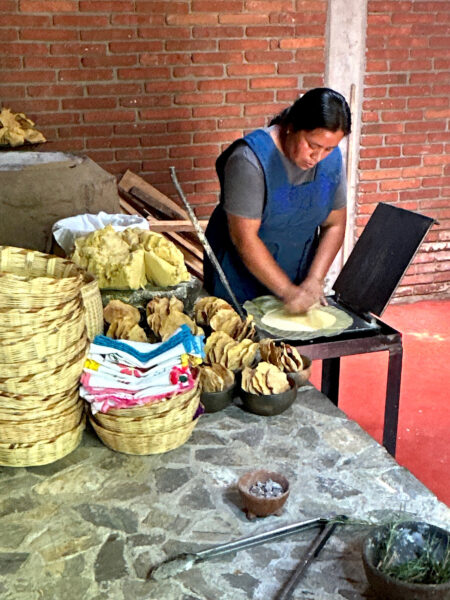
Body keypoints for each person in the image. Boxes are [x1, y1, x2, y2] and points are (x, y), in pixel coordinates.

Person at [203, 87, 351, 314]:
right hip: (238, 284)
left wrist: (314, 279)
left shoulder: (330, 162)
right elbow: (245, 239)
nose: (318, 157)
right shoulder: (249, 161)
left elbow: (335, 224)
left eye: (329, 148)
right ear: (291, 127)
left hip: (296, 278)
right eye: (312, 145)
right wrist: (288, 292)